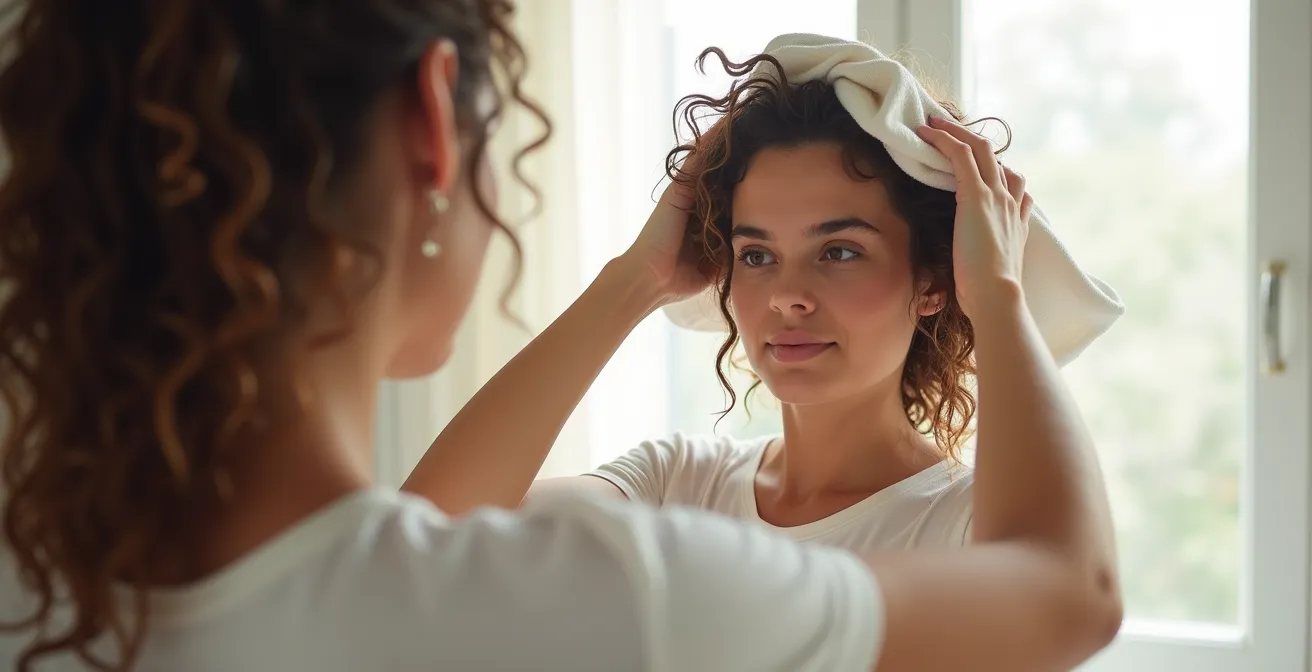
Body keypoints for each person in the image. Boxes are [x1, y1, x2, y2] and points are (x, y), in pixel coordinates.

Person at [0, 3, 1120, 672]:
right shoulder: (669, 510)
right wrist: (1002, 295)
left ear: (933, 282)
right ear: (433, 125)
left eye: (837, 250)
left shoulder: (41, 589)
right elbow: (1073, 591)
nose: (784, 296)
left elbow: (408, 553)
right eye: (753, 251)